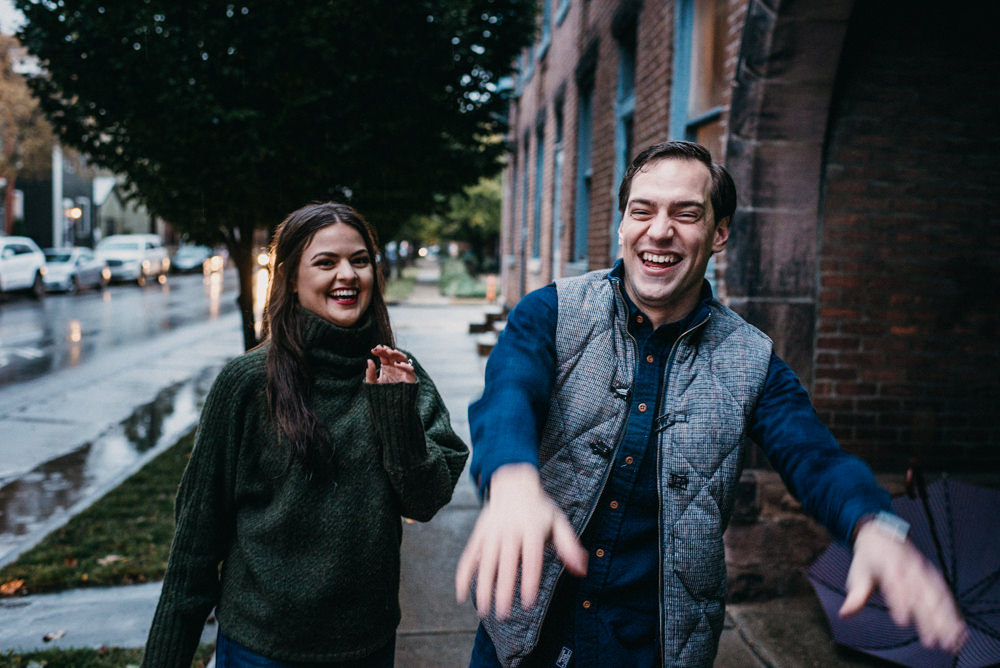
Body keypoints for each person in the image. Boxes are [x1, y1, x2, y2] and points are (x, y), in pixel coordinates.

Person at [455, 141, 967, 667]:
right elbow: (508, 394)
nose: (659, 230)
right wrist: (513, 478)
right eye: (643, 210)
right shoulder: (552, 311)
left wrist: (872, 524)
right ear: (623, 225)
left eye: (686, 213)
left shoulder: (752, 359)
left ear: (719, 233)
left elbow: (815, 457)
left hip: (649, 648)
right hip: (523, 635)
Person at [142, 202, 469, 667]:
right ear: (291, 279)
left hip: (365, 647)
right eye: (325, 262)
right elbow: (196, 544)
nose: (348, 275)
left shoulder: (398, 375)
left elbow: (425, 500)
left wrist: (396, 415)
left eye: (359, 260)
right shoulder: (247, 384)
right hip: (260, 649)